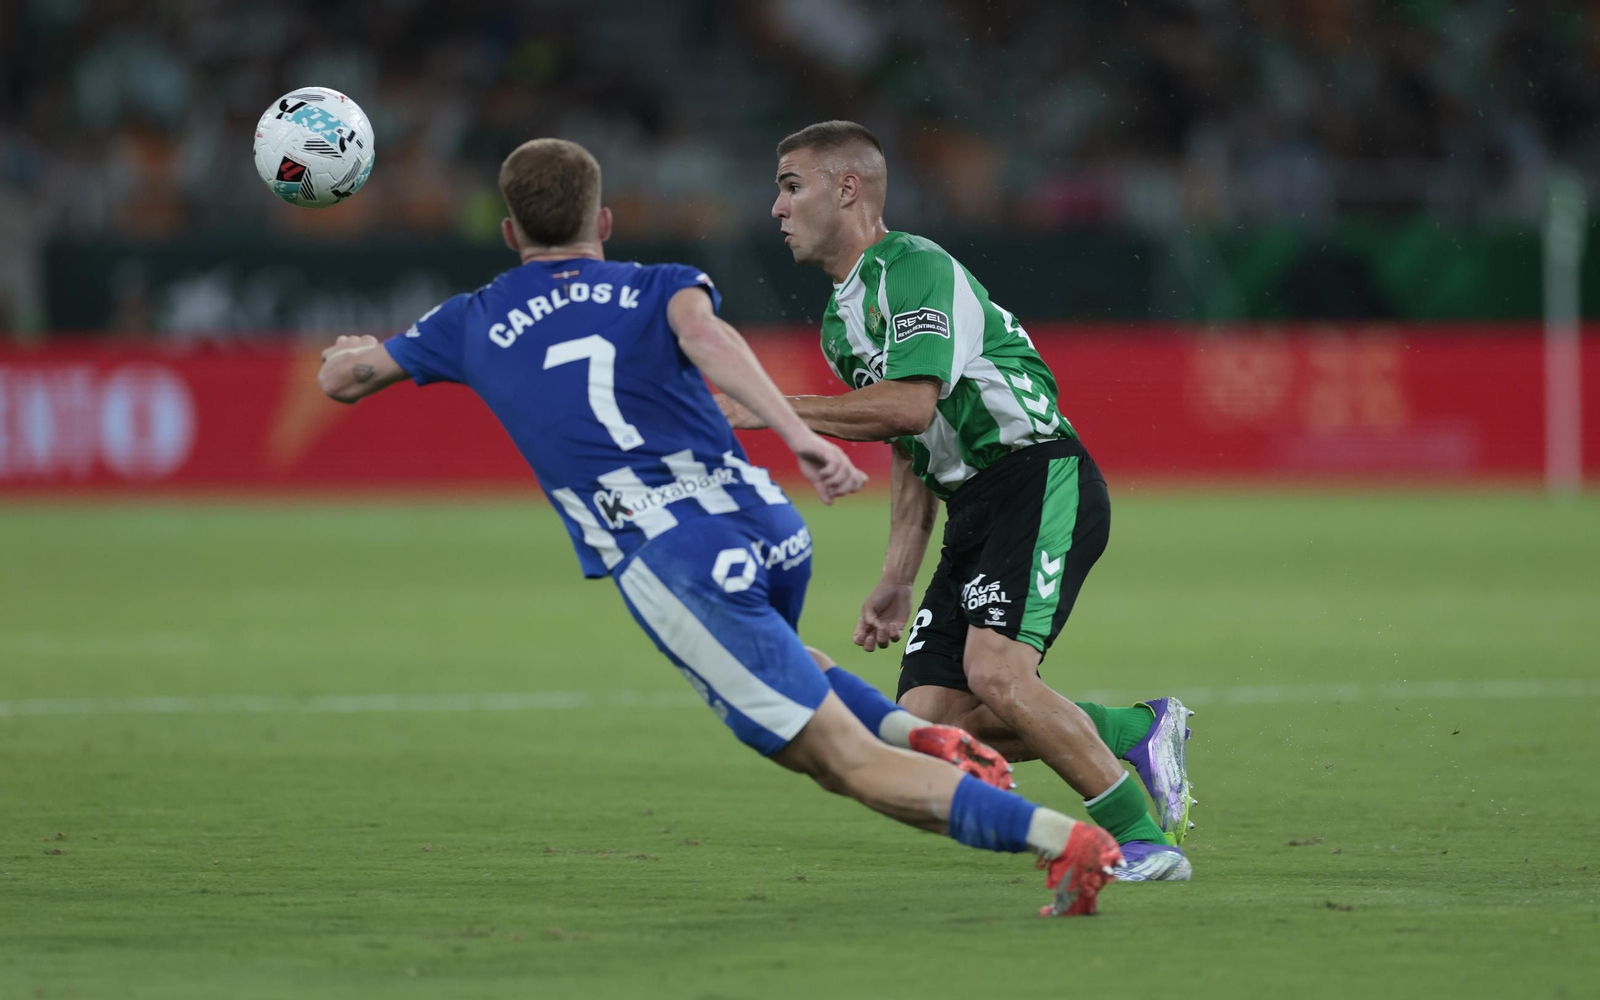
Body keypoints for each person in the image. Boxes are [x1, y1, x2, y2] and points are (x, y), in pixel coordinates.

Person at [314, 137, 1123, 916]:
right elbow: (709, 340)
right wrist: (800, 440)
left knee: (843, 763)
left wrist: (345, 357)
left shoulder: (473, 316)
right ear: (602, 224)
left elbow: (349, 380)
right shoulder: (659, 282)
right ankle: (925, 734)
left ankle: (1063, 839)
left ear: (507, 232)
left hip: (671, 556)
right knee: (788, 655)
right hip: (761, 522)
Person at [716, 121, 1195, 882]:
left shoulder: (913, 267)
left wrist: (772, 405)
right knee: (929, 724)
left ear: (848, 189)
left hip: (1036, 475)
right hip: (972, 506)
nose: (776, 207)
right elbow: (913, 447)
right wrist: (899, 573)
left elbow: (907, 405)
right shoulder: (843, 322)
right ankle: (1134, 728)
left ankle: (1142, 841)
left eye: (790, 185)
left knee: (1000, 676)